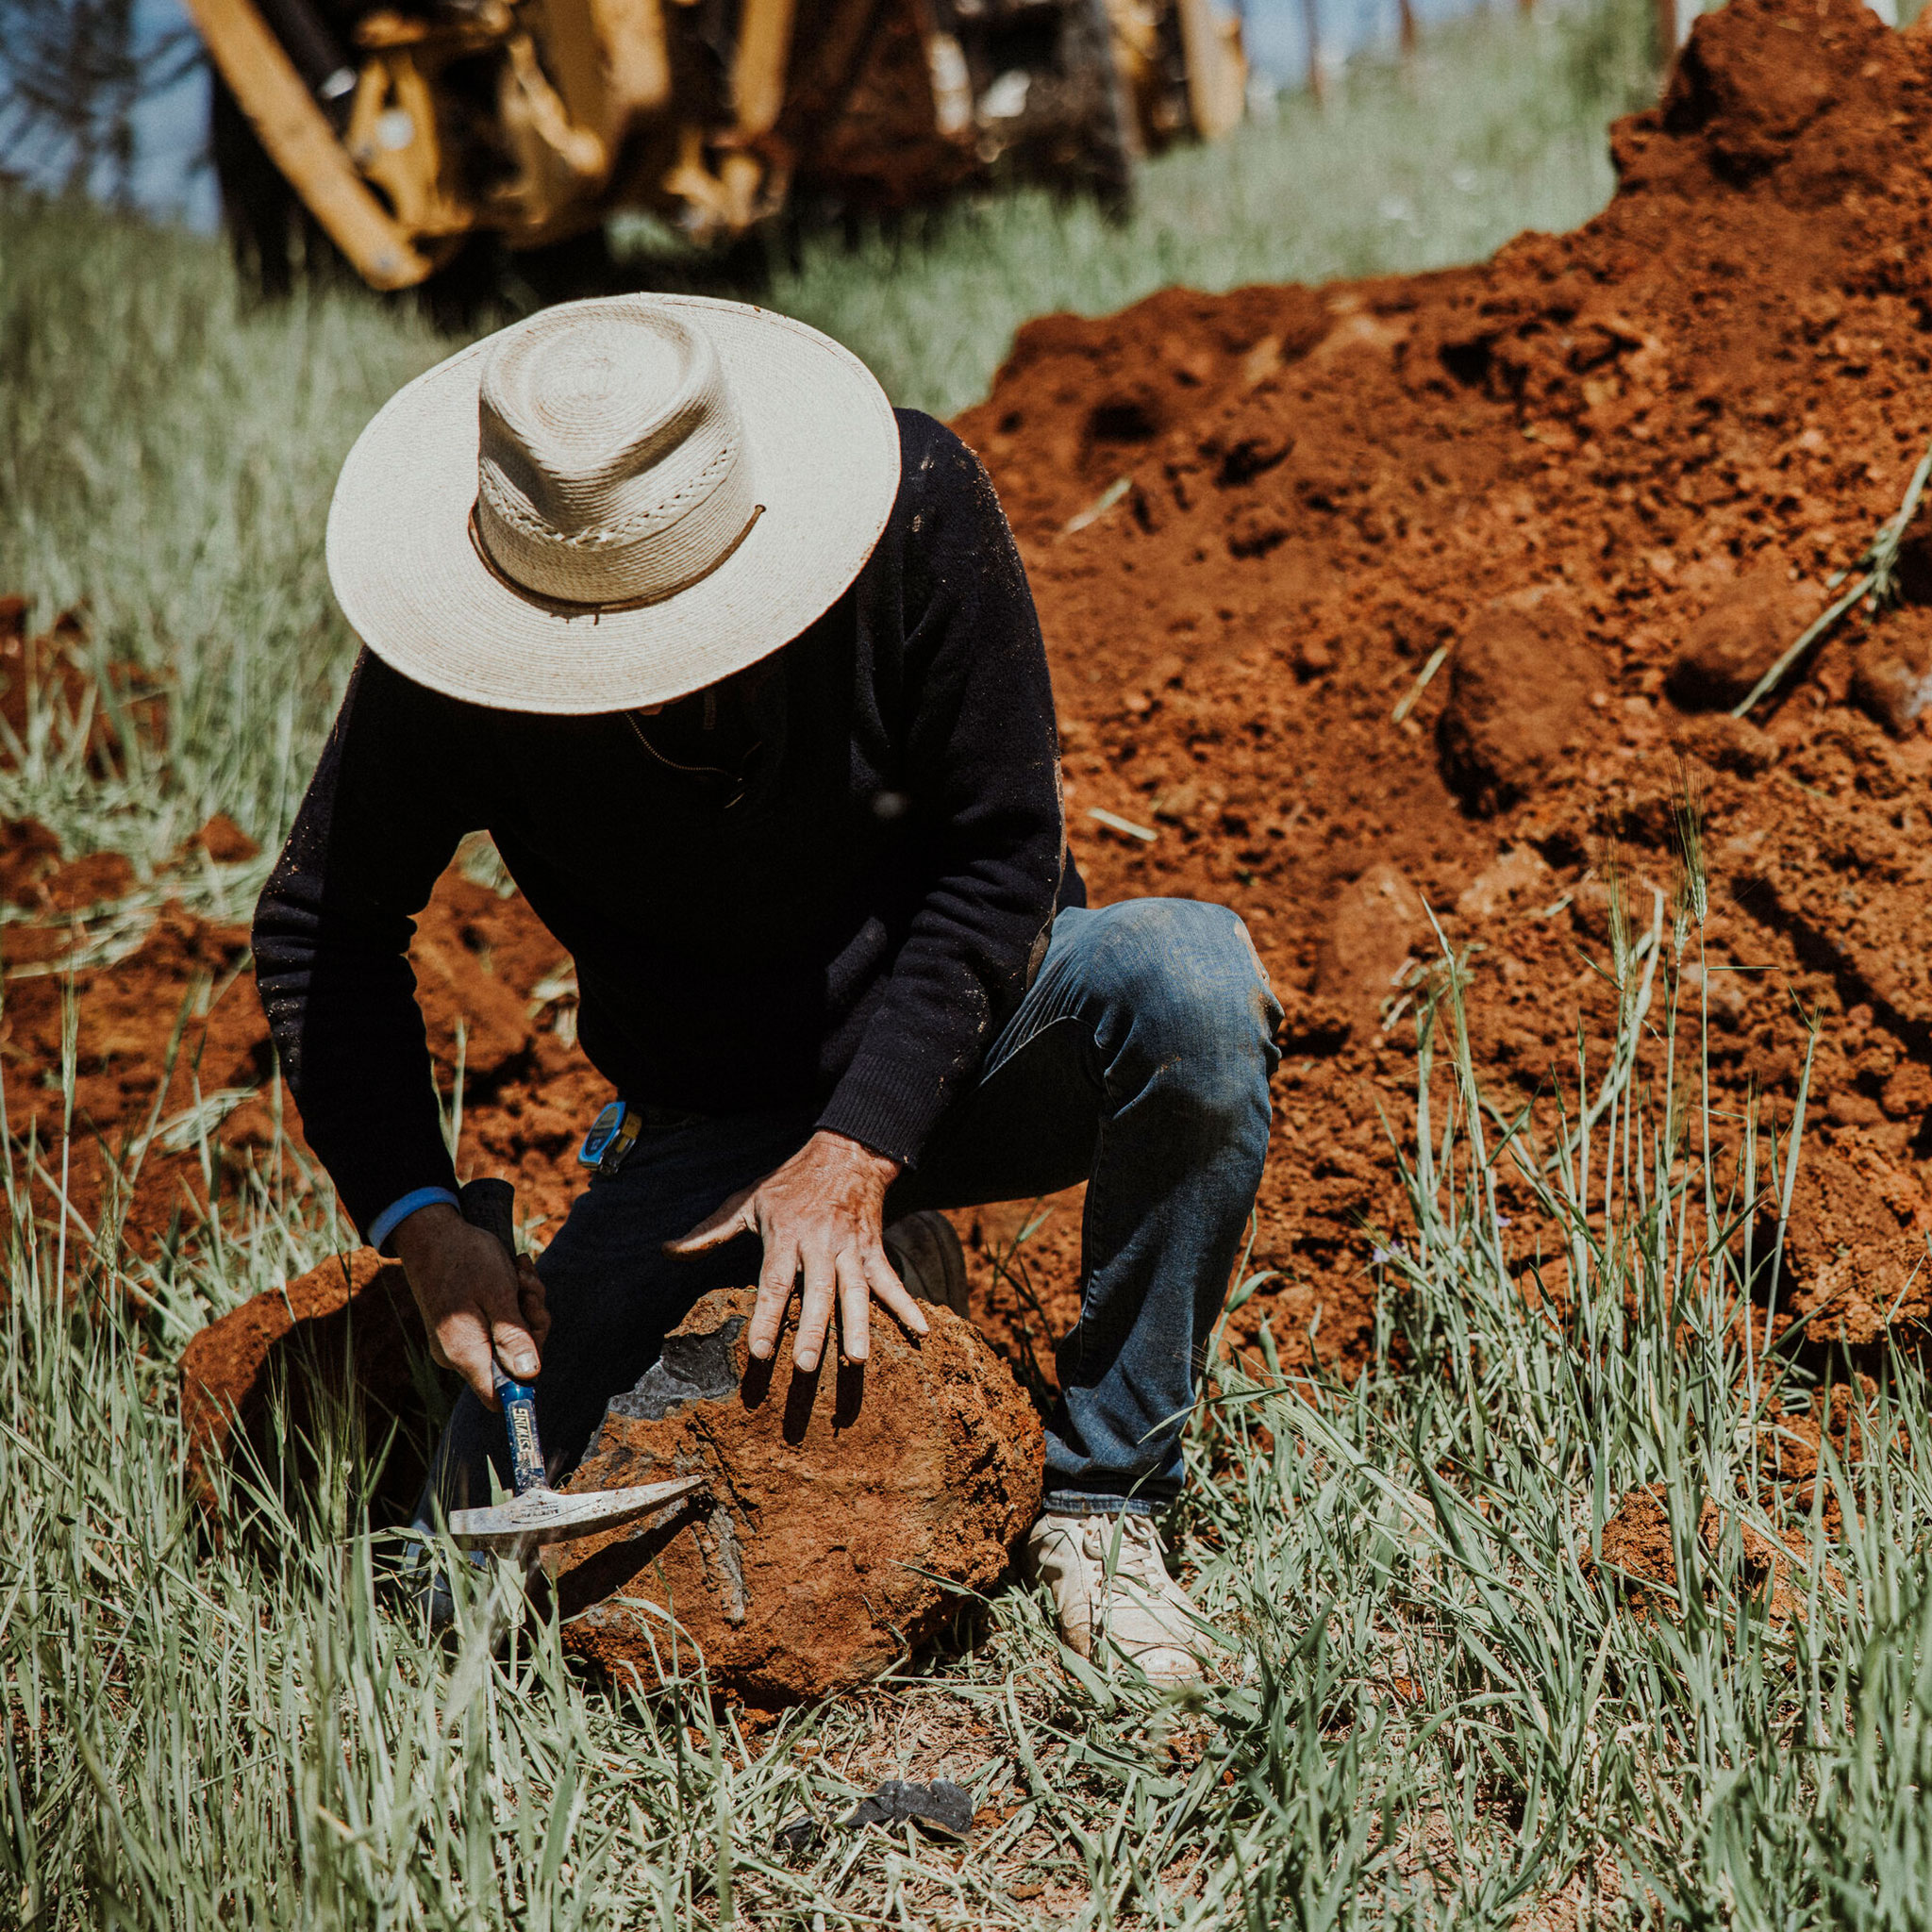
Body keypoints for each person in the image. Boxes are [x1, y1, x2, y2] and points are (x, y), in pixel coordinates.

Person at [253, 293, 1280, 1682]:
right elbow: (325, 925)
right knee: (462, 1579)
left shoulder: (912, 513)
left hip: (972, 1046)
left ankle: (1105, 1505)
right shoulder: (461, 654)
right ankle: (860, 1241)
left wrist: (859, 1151)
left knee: (1191, 982)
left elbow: (1001, 864)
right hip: (712, 1118)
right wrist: (423, 1221)